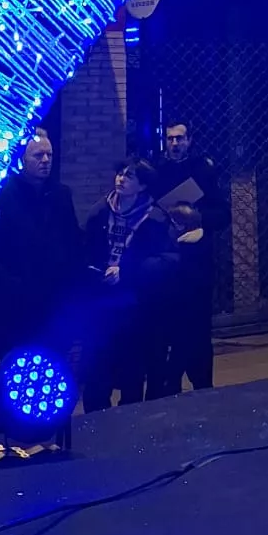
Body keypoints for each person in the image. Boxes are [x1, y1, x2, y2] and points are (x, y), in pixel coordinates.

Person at [0, 129, 83, 359]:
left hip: (53, 299)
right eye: (38, 155)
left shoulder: (61, 194)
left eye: (49, 155)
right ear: (22, 159)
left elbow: (72, 240)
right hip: (17, 300)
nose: (46, 160)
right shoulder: (3, 196)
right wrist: (8, 284)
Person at [79, 159, 173, 410]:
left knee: (132, 368)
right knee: (98, 364)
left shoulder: (154, 218)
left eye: (129, 176)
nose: (120, 179)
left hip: (136, 301)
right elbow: (86, 249)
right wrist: (95, 272)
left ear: (142, 185)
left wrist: (127, 272)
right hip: (101, 298)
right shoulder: (101, 211)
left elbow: (162, 261)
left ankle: (129, 418)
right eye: (120, 174)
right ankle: (95, 419)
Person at [153, 118, 227, 394]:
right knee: (170, 330)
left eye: (179, 139)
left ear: (189, 141)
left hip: (197, 265)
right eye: (170, 139)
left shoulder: (202, 172)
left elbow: (222, 213)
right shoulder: (158, 173)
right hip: (168, 266)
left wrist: (200, 221)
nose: (174, 144)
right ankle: (169, 386)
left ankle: (203, 386)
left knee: (198, 332)